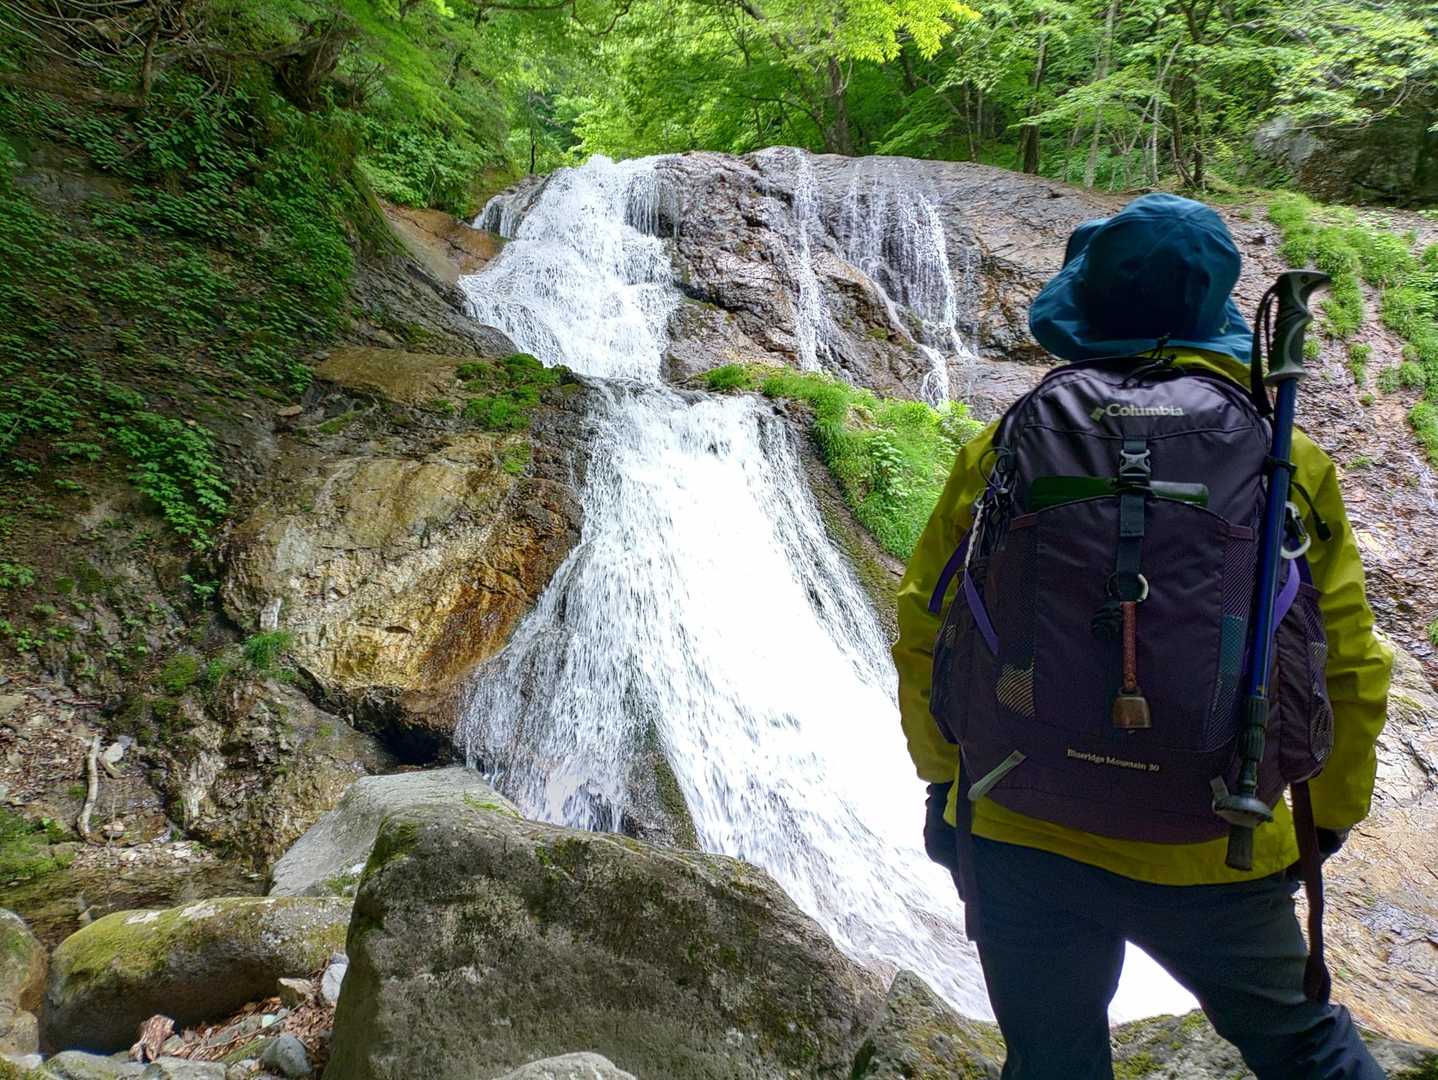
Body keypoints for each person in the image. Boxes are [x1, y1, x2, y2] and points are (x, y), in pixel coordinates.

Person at [893, 193, 1392, 1079]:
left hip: (1019, 819)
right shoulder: (1284, 460)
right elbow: (1348, 665)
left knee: (1052, 1062)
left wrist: (946, 784)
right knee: (1309, 1051)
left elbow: (928, 624)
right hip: (1216, 835)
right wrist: (1327, 819)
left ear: (1089, 313)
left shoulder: (1007, 442)